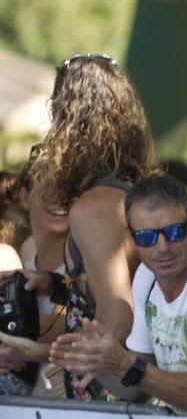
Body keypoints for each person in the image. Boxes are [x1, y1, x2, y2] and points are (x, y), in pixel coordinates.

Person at [49, 174, 187, 415]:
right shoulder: (147, 275)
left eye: (174, 232)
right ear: (131, 239)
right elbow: (138, 388)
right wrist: (95, 359)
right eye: (147, 237)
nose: (162, 247)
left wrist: (126, 364)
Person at [29, 53, 156, 399]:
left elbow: (118, 310)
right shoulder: (124, 195)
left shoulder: (93, 207)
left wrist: (88, 367)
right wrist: (55, 286)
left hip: (110, 399)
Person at [0, 151, 69, 397]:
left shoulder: (82, 256)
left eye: (67, 189)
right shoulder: (27, 248)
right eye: (48, 188)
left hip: (60, 387)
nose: (59, 198)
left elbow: (62, 329)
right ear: (25, 197)